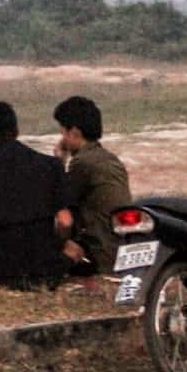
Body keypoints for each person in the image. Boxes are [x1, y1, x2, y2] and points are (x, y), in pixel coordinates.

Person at [0, 101, 70, 288]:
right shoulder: (50, 165)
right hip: (43, 271)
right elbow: (65, 222)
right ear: (16, 131)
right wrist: (55, 248)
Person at [53, 95, 133, 276]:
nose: (62, 139)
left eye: (63, 133)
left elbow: (60, 199)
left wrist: (58, 161)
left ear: (74, 132)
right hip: (119, 247)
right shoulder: (108, 158)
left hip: (102, 254)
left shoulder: (82, 163)